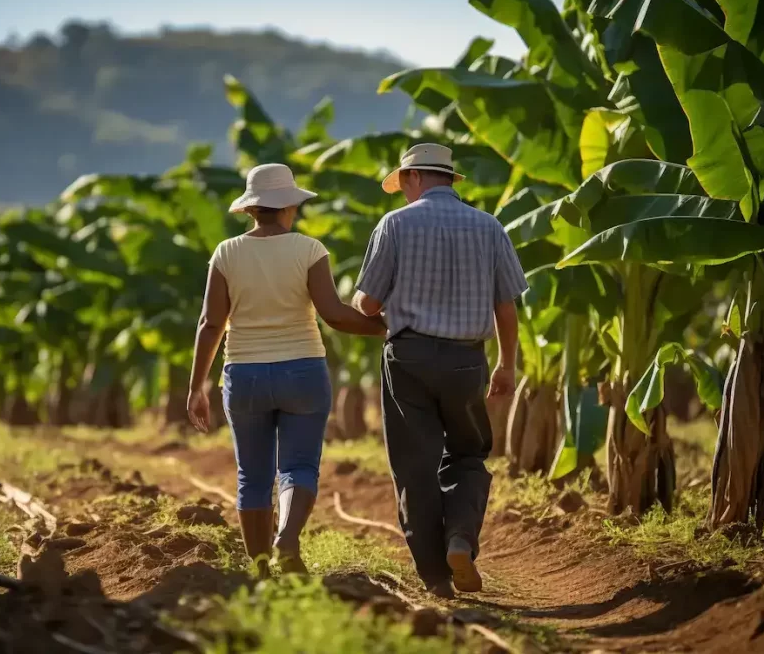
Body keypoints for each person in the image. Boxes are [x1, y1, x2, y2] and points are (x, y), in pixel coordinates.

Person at [187, 163, 386, 577]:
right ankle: (288, 538)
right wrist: (385, 327)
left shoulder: (226, 253)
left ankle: (260, 570)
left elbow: (210, 323)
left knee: (252, 476)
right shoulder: (309, 249)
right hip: (303, 370)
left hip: (244, 374)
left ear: (250, 210)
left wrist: (197, 387)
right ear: (290, 206)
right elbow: (333, 314)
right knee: (298, 466)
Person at [352, 143, 528, 598]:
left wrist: (360, 304)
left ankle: (435, 577)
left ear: (412, 178)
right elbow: (506, 307)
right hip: (467, 360)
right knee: (468, 455)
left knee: (415, 467)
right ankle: (460, 540)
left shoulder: (395, 224)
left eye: (403, 185)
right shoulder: (488, 226)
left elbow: (368, 303)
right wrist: (507, 365)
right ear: (449, 179)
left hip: (408, 358)